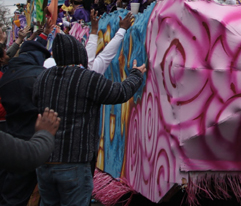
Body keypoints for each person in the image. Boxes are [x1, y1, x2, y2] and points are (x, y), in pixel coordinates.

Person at [32, 33, 145, 206]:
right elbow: (119, 93)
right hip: (74, 161)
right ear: (79, 54)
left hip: (44, 160)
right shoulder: (85, 77)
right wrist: (136, 75)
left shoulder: (43, 78)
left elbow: (35, 102)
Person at [0, 34, 52, 206]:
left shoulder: (7, 76)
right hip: (36, 142)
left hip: (12, 135)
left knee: (13, 195)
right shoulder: (42, 76)